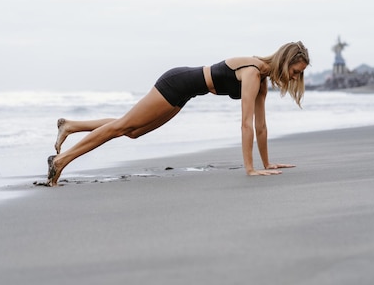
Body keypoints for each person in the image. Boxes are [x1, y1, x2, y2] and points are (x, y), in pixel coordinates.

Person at [47, 41, 310, 185]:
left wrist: (267, 163)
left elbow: (261, 127)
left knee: (132, 131)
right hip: (176, 83)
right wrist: (250, 169)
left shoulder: (261, 80)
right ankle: (61, 161)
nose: (295, 77)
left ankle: (70, 126)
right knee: (122, 127)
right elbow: (246, 124)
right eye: (295, 71)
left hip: (185, 93)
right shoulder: (253, 72)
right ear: (285, 61)